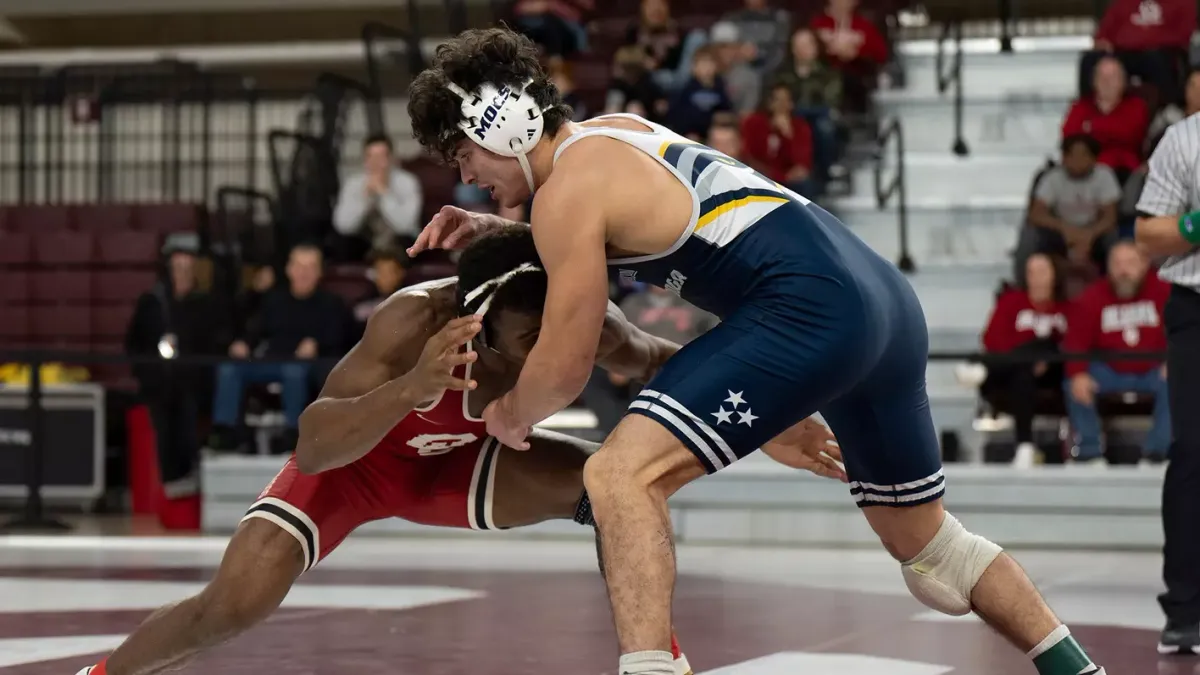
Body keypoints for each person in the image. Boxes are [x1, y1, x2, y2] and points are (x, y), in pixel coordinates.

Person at [405, 27, 1108, 675]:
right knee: (930, 549)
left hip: (809, 312)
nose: (467, 176)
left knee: (620, 476)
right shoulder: (613, 136)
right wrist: (508, 228)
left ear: (504, 121)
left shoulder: (566, 199)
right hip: (883, 303)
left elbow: (564, 366)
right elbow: (624, 224)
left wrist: (509, 413)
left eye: (465, 155)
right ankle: (1076, 666)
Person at [74, 225, 841, 675]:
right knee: (230, 605)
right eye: (525, 342)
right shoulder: (413, 321)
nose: (549, 359)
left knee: (613, 485)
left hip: (462, 465)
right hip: (361, 463)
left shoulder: (583, 326)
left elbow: (674, 364)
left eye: (559, 336)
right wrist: (409, 388)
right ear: (476, 317)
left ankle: (656, 660)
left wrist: (771, 422)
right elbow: (313, 443)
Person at [1132, 112, 1200, 654]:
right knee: (1194, 451)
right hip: (1196, 308)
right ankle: (1185, 611)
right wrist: (1197, 224)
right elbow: (1149, 232)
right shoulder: (1185, 138)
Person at [209, 243, 351, 454]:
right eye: (299, 266)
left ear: (319, 272)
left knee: (294, 371)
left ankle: (293, 432)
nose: (303, 273)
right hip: (272, 360)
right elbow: (256, 329)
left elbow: (340, 337)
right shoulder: (274, 299)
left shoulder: (331, 303)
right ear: (289, 269)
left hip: (307, 365)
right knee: (230, 368)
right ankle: (226, 430)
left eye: (310, 267)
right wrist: (244, 343)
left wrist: (317, 343)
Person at [1060, 241, 1170, 465]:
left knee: (1183, 379)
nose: (1124, 271)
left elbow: (1187, 331)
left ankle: (1157, 453)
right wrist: (1078, 373)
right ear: (1108, 268)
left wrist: (1176, 360)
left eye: (1130, 263)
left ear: (1144, 264)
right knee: (1073, 381)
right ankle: (1090, 453)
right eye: (1117, 264)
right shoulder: (1092, 297)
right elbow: (1075, 343)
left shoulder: (1165, 291)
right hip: (1108, 371)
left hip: (1153, 371)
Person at [980, 253, 1068, 469]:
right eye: (1031, 272)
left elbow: (1072, 344)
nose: (1036, 278)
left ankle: (1025, 446)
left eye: (1042, 272)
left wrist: (1045, 356)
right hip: (1014, 374)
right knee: (1023, 373)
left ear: (1054, 275)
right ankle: (1025, 447)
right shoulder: (1011, 301)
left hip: (1053, 372)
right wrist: (1029, 359)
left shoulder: (1066, 308)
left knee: (1048, 344)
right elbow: (993, 341)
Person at [1016, 134, 1122, 278]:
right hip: (1060, 230)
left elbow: (1110, 217)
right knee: (1030, 235)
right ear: (1063, 158)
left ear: (1094, 159)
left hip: (1095, 231)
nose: (1077, 161)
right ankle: (1022, 285)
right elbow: (1036, 214)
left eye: (1083, 155)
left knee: (1115, 239)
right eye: (1071, 155)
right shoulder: (1052, 177)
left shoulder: (1104, 176)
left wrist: (1089, 235)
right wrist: (1066, 229)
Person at [332, 134, 423, 260]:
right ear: (365, 160)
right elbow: (343, 226)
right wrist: (364, 198)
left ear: (391, 158)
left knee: (407, 242)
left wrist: (384, 193)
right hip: (366, 243)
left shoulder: (407, 182)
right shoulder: (353, 184)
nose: (375, 163)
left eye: (380, 157)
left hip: (398, 243)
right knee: (341, 243)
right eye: (370, 157)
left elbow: (405, 226)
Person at [1061, 56, 1149, 184]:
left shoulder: (1136, 106)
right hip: (1081, 168)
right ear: (1094, 82)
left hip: (1122, 171)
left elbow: (1129, 135)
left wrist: (1091, 128)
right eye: (1101, 77)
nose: (1106, 82)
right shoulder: (1080, 106)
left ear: (1123, 82)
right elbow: (1069, 138)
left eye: (1112, 77)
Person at [740, 84, 817, 196]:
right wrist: (778, 176)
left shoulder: (800, 127)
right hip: (762, 175)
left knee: (804, 183)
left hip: (790, 178)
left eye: (786, 100)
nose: (781, 105)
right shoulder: (753, 123)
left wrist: (788, 135)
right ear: (769, 103)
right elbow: (750, 157)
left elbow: (802, 162)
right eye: (777, 100)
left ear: (792, 104)